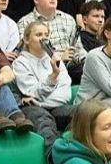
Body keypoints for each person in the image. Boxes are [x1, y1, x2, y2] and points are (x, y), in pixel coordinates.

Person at [12, 20, 74, 149]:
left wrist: (41, 102)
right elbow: (33, 92)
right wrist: (53, 77)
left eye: (46, 35)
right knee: (44, 121)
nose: (44, 38)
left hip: (54, 106)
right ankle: (53, 157)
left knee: (83, 113)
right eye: (39, 35)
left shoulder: (55, 59)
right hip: (33, 110)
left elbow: (65, 95)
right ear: (26, 40)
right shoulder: (20, 63)